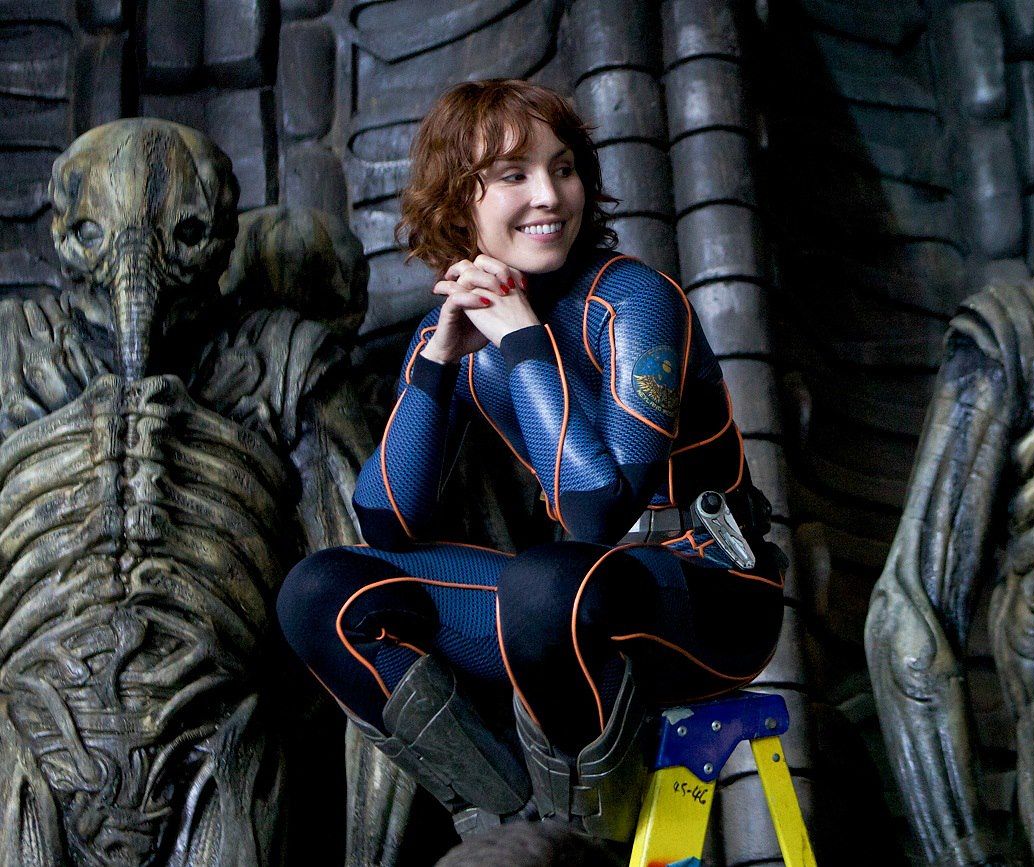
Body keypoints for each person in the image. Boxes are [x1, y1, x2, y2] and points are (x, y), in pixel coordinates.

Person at [276, 79, 784, 840]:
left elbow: (597, 508)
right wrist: (435, 364)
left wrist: (522, 342)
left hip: (712, 594)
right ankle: (511, 824)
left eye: (564, 168)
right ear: (461, 201)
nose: (550, 195)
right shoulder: (467, 324)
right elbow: (385, 521)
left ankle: (584, 836)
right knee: (321, 591)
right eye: (514, 175)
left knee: (546, 582)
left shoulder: (635, 300)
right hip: (565, 604)